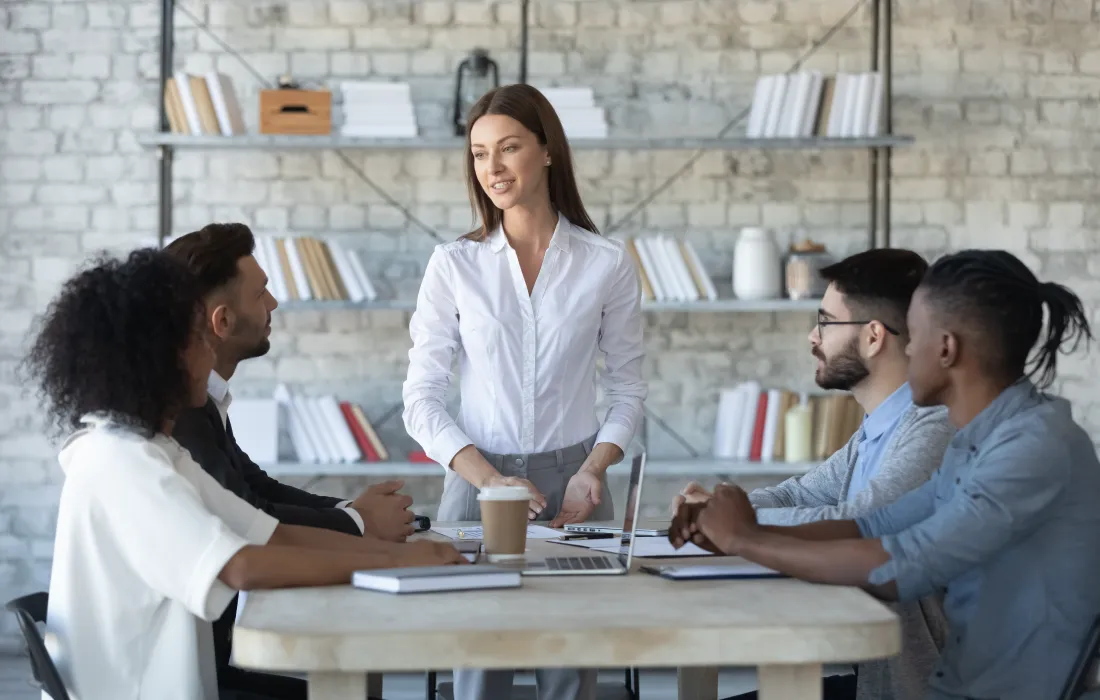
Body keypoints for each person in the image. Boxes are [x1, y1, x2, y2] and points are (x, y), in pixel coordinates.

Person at [24, 249, 464, 700]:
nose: (210, 347)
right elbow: (241, 565)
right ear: (161, 356)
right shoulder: (122, 463)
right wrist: (400, 562)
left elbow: (268, 535)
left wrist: (390, 552)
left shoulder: (154, 450)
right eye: (199, 338)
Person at [672, 249, 1100, 700]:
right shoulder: (978, 437)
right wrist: (735, 520)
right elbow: (873, 523)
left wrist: (745, 538)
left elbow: (903, 562)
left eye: (914, 334)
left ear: (946, 348)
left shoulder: (1032, 448)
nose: (906, 347)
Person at [402, 83, 647, 700]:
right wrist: (487, 479)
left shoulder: (606, 262)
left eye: (508, 148)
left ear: (546, 152)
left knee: (573, 675)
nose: (493, 168)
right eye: (480, 154)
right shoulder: (453, 265)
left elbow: (628, 388)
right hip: (477, 488)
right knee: (479, 673)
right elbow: (421, 397)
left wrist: (596, 467)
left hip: (576, 489)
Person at [674, 249, 955, 700]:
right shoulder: (877, 429)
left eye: (825, 322)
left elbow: (863, 522)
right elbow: (800, 494)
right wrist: (717, 506)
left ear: (874, 336)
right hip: (876, 682)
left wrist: (736, 526)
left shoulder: (934, 428)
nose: (812, 336)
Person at [165, 223, 418, 699]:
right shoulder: (180, 417)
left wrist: (353, 514)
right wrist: (361, 526)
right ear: (221, 321)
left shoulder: (204, 404)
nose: (274, 304)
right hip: (191, 677)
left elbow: (256, 489)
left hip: (207, 663)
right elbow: (251, 520)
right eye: (261, 293)